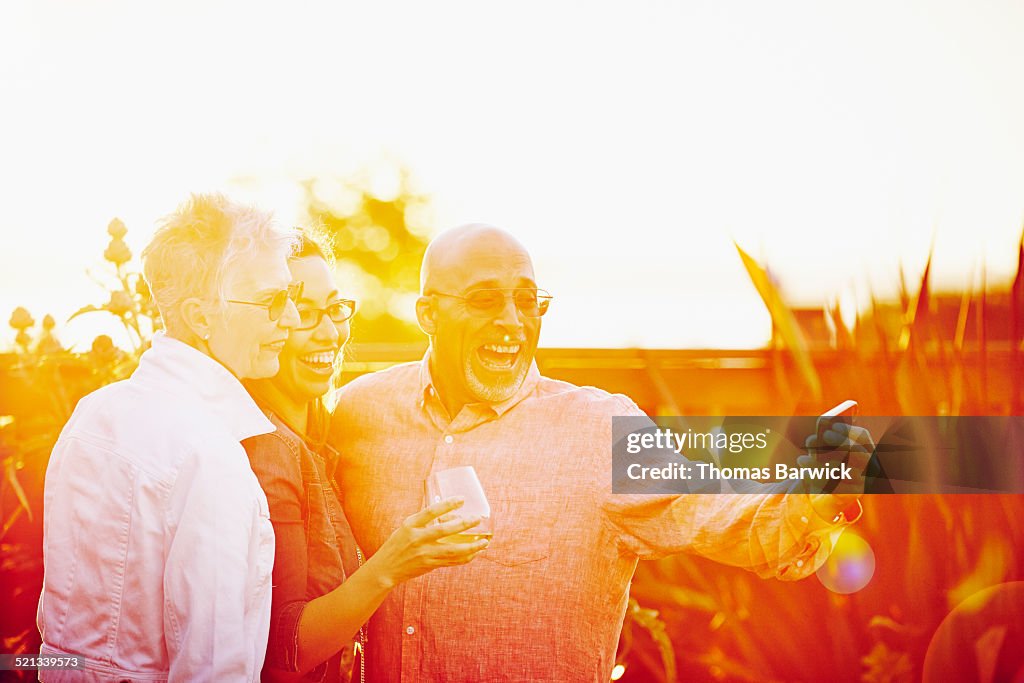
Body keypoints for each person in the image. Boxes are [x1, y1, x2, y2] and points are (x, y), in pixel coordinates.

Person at [329, 223, 873, 682]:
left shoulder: (596, 428)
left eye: (527, 300)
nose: (513, 322)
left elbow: (718, 509)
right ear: (428, 313)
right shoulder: (358, 413)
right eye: (484, 299)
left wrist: (816, 498)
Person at [38, 194, 302, 681]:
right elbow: (214, 669)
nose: (292, 319)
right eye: (274, 301)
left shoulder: (94, 411)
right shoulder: (210, 456)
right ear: (202, 318)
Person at [242, 234, 488, 683]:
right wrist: (392, 565)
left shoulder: (336, 423)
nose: (329, 333)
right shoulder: (269, 450)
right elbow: (284, 652)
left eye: (334, 309)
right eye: (303, 313)